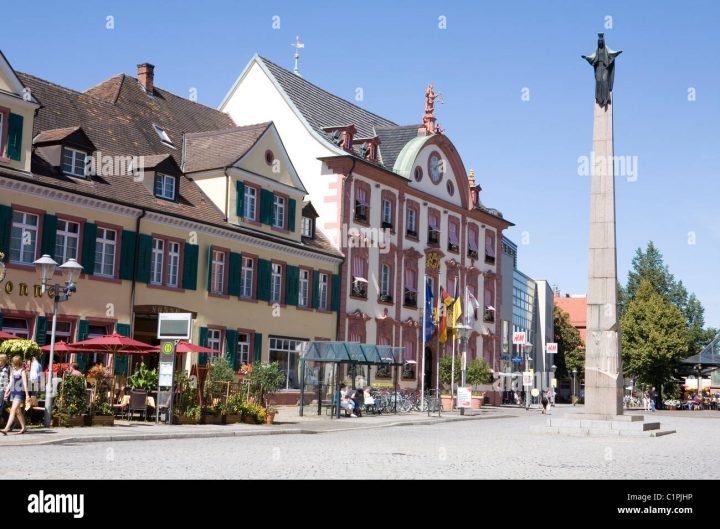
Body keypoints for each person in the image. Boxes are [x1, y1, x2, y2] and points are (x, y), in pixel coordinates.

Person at [2, 355, 30, 435]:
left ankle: (6, 428)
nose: (11, 363)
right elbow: (11, 382)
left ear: (16, 363)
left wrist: (27, 395)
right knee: (18, 412)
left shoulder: (22, 371)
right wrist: (7, 391)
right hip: (13, 392)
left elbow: (25, 384)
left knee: (13, 410)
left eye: (13, 362)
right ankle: (24, 427)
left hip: (19, 393)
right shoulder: (12, 370)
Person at [0, 355, 10, 426]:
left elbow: (11, 380)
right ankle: (10, 420)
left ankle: (9, 421)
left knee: (1, 406)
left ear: (4, 360)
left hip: (4, 390)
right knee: (2, 408)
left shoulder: (9, 368)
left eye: (0, 360)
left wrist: (8, 391)